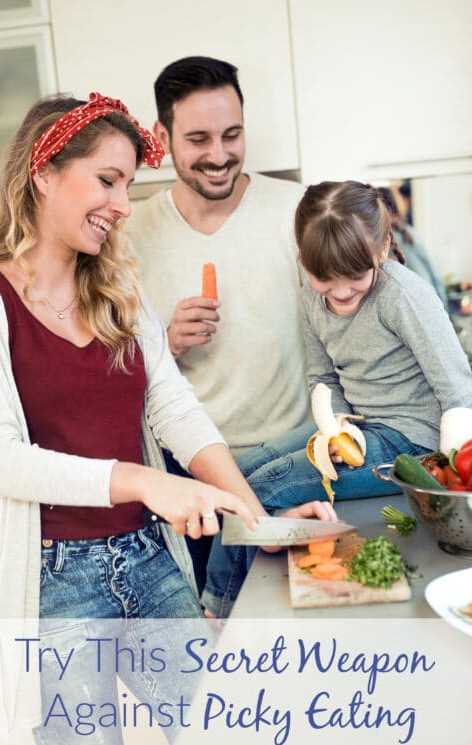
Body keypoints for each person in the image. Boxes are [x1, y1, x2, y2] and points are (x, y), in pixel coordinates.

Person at [0, 90, 303, 743]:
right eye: (107, 180)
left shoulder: (118, 288)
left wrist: (253, 517)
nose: (123, 204)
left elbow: (174, 409)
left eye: (126, 183)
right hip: (51, 584)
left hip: (148, 558)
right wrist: (144, 480)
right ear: (42, 172)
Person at [202, 180, 472, 617]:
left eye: (355, 278)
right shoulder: (313, 297)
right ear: (304, 260)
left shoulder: (403, 297)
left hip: (409, 440)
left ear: (383, 248)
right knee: (234, 474)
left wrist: (449, 485)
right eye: (325, 281)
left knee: (257, 489)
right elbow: (323, 377)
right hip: (357, 427)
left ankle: (220, 610)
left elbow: (459, 391)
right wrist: (339, 429)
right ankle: (241, 575)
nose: (341, 293)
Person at [131, 55, 311, 591]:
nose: (219, 155)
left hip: (295, 467)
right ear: (161, 136)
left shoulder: (297, 212)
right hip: (191, 486)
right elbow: (106, 366)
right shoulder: (128, 234)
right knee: (219, 642)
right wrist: (163, 343)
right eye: (199, 139)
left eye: (232, 135)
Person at [377, 185, 449, 308]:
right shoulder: (410, 232)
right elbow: (434, 274)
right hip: (431, 300)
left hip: (416, 305)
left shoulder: (381, 242)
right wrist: (445, 309)